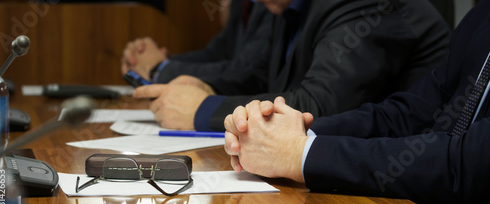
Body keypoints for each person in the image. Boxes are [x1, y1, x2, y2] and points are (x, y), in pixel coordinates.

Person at [224, 0, 490, 204]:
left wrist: (300, 153)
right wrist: (287, 133)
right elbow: (410, 113)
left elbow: (466, 164)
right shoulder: (482, 17)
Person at [133, 0, 451, 131]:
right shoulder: (287, 6)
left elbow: (320, 106)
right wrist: (207, 88)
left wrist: (203, 110)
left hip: (417, 200)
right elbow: (257, 76)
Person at [121, 0, 273, 83]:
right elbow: (216, 54)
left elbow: (247, 70)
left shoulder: (275, 5)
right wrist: (153, 60)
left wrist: (158, 68)